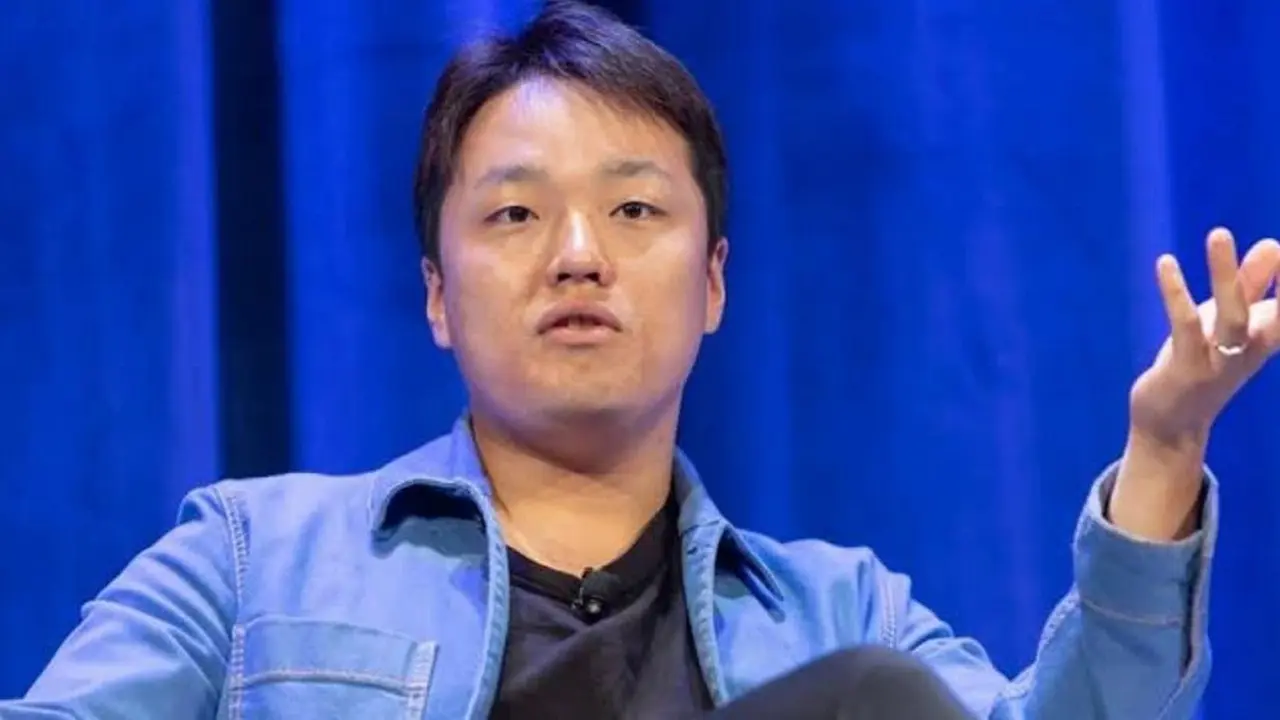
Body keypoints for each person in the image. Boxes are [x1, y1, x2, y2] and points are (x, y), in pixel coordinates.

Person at [7, 1, 1279, 718]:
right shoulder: (250, 561)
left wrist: (1163, 449)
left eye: (631, 211)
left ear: (712, 283)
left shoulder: (842, 617)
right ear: (436, 297)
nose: (577, 256)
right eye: (515, 214)